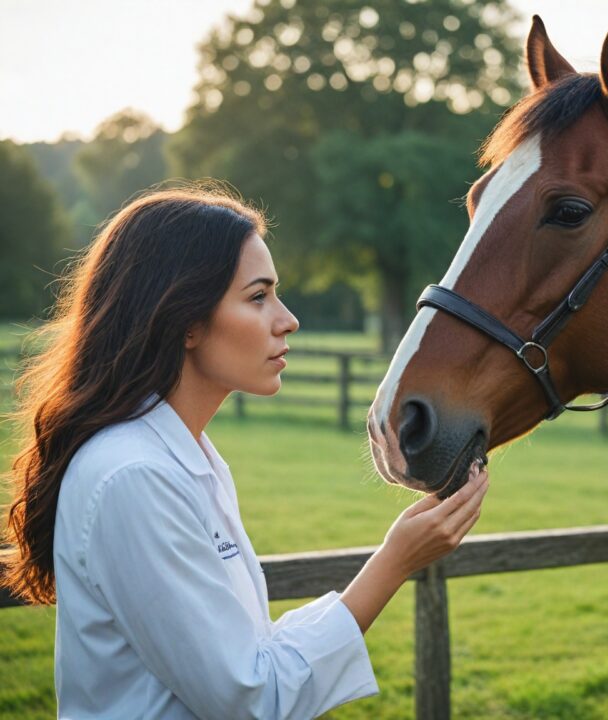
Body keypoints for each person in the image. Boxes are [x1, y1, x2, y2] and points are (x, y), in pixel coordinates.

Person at [1, 186, 489, 719]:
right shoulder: (132, 476)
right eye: (258, 297)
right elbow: (251, 696)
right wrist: (395, 562)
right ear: (185, 320)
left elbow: (246, 653)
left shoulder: (189, 457)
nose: (287, 319)